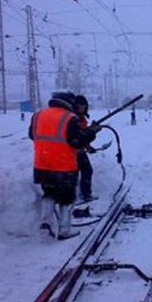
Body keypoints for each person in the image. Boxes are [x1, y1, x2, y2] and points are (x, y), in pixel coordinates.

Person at [29, 91, 100, 239]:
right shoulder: (69, 118)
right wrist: (92, 132)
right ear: (68, 102)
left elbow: (32, 135)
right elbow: (78, 141)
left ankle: (45, 222)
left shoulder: (38, 115)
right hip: (64, 166)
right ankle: (64, 230)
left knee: (49, 193)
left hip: (42, 164)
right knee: (67, 198)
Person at [74, 95, 97, 203]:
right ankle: (75, 195)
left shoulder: (82, 118)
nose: (82, 107)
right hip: (72, 152)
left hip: (80, 150)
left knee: (87, 171)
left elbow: (83, 136)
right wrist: (92, 132)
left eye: (84, 105)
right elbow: (78, 136)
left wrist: (88, 146)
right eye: (80, 104)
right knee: (73, 174)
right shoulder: (74, 118)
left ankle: (85, 193)